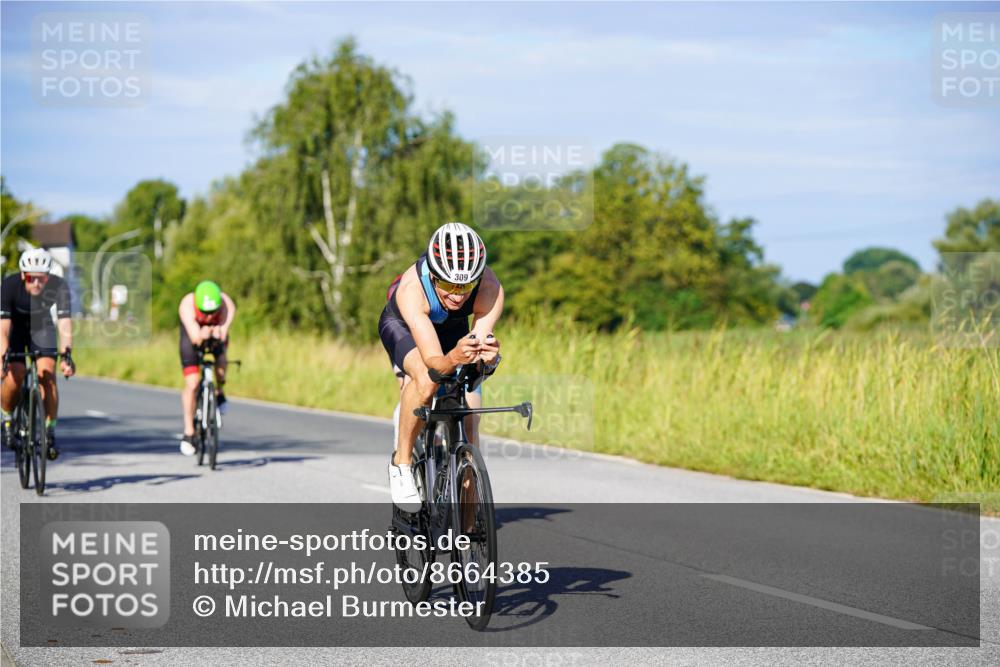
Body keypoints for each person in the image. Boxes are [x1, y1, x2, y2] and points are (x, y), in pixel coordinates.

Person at [378, 223, 503, 510]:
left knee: (470, 417)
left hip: (453, 329)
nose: (458, 295)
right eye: (448, 285)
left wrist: (490, 359)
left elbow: (480, 349)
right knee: (424, 380)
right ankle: (402, 464)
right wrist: (456, 358)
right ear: (434, 276)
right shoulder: (413, 289)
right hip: (405, 328)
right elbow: (435, 363)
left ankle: (469, 534)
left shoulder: (490, 288)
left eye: (466, 285)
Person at [1, 248, 75, 458]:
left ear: (48, 276)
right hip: (15, 329)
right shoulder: (9, 286)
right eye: (32, 278)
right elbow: (3, 329)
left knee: (48, 374)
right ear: (24, 275)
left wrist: (67, 355)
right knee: (14, 375)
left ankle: (49, 431)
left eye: (41, 278)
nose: (36, 283)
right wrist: (2, 358)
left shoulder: (59, 286)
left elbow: (65, 324)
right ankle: (6, 416)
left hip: (41, 327)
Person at [177, 280, 235, 456]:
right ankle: (188, 432)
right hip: (192, 334)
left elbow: (224, 330)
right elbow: (195, 337)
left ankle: (219, 391)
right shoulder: (187, 305)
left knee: (221, 359)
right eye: (205, 313)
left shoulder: (226, 304)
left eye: (213, 312)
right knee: (193, 383)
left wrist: (219, 330)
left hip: (215, 334)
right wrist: (203, 333)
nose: (209, 317)